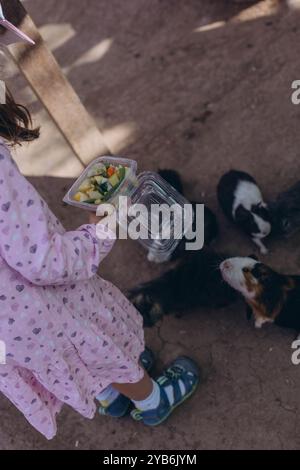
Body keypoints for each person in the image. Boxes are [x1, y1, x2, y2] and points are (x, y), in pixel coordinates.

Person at [0, 8, 200, 440]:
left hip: (11, 329)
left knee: (72, 357)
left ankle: (109, 397)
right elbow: (42, 261)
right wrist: (101, 229)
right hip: (40, 306)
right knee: (96, 345)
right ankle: (152, 401)